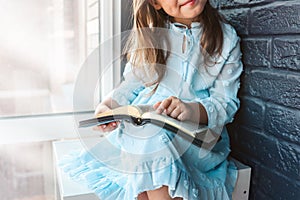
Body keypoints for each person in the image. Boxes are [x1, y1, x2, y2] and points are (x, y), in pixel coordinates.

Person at [61, 0, 243, 199]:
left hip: (193, 137)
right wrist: (108, 105)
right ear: (156, 3)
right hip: (147, 129)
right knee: (147, 140)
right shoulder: (152, 36)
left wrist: (191, 110)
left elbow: (225, 103)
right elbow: (131, 84)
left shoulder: (226, 38)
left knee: (152, 146)